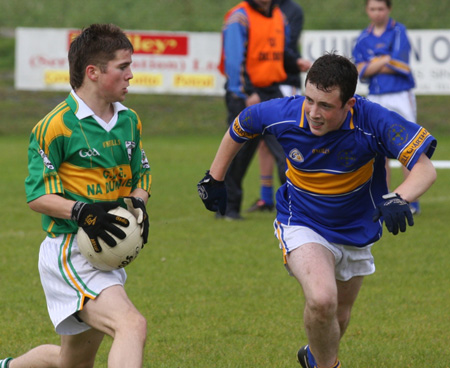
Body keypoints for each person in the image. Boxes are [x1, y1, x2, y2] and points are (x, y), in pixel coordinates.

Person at [197, 53, 437, 367]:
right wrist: (215, 177)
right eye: (309, 100)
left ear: (349, 104)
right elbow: (242, 125)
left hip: (356, 229)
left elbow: (424, 168)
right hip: (303, 222)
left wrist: (398, 197)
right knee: (322, 300)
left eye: (325, 105)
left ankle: (314, 357)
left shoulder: (372, 120)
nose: (313, 112)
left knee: (339, 315)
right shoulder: (285, 113)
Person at [0, 24, 151, 368]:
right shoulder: (54, 126)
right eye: (123, 66)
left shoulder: (129, 121)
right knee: (131, 324)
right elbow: (38, 195)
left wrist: (138, 206)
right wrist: (83, 212)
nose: (131, 75)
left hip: (104, 250)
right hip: (70, 251)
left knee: (73, 364)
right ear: (93, 72)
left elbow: (141, 176)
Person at [218, 0, 311, 220]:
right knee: (238, 153)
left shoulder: (279, 15)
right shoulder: (239, 17)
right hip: (246, 94)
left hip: (271, 91)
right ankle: (227, 208)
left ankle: (297, 207)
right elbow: (234, 61)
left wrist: (296, 62)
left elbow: (281, 53)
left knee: (287, 147)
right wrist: (247, 93)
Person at [352, 0, 421, 214]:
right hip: (376, 96)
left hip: (400, 95)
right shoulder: (363, 37)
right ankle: (384, 197)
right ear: (367, 10)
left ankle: (410, 200)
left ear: (389, 9)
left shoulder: (399, 31)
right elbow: (360, 70)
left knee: (408, 147)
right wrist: (385, 60)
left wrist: (374, 64)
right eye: (372, 9)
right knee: (377, 147)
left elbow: (400, 65)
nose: (377, 13)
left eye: (381, 8)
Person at [247, 0, 311, 213]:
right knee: (263, 141)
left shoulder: (291, 10)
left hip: (286, 81)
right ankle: (266, 198)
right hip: (266, 83)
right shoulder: (256, 10)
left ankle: (295, 195)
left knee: (287, 139)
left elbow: (286, 45)